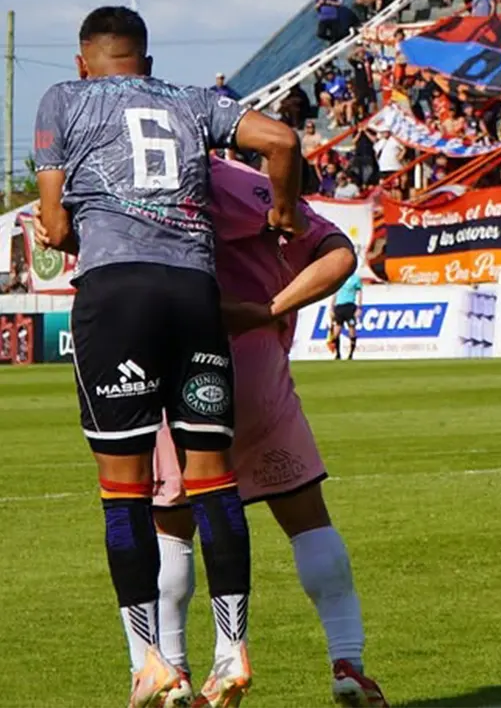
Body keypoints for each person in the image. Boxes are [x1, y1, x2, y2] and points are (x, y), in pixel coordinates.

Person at [33, 6, 302, 708]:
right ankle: (232, 651)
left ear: (83, 61)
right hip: (193, 295)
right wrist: (282, 212)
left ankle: (150, 663)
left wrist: (68, 230)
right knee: (214, 480)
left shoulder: (62, 99)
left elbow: (56, 224)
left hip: (116, 297)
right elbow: (281, 140)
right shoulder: (192, 101)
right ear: (146, 62)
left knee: (124, 489)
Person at [151, 159, 388, 708]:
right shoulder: (272, 197)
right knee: (308, 520)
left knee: (172, 526)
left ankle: (174, 674)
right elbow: (341, 256)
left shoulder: (188, 176)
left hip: (181, 363)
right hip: (259, 370)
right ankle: (347, 661)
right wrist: (268, 310)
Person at [328, 265, 363, 360]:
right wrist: (331, 308)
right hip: (339, 307)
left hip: (350, 306)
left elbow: (360, 293)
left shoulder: (355, 279)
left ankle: (351, 354)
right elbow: (335, 293)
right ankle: (338, 354)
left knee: (352, 330)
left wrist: (359, 307)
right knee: (336, 332)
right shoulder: (340, 278)